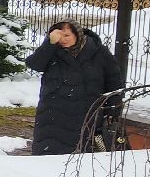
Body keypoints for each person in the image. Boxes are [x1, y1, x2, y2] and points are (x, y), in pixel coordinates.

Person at [26, 19, 124, 154]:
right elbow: (35, 64)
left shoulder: (98, 52)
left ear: (77, 34)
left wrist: (113, 108)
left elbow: (113, 81)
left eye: (67, 35)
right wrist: (49, 43)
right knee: (50, 158)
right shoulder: (52, 51)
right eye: (59, 36)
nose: (63, 40)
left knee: (85, 156)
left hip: (87, 112)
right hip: (53, 114)